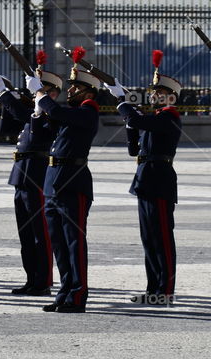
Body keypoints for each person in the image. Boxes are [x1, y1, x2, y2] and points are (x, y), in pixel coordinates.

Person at [113, 50, 181, 306]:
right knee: (149, 239)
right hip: (144, 180)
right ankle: (153, 288)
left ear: (169, 97)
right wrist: (132, 125)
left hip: (160, 180)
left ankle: (165, 291)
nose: (152, 95)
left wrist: (122, 102)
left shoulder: (169, 116)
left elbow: (134, 117)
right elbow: (134, 149)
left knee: (162, 237)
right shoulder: (152, 119)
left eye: (157, 93)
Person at [34, 46, 99, 313]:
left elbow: (58, 113)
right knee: (59, 243)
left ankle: (78, 294)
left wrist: (42, 96)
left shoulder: (88, 112)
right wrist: (37, 110)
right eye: (70, 87)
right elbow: (45, 130)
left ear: (88, 92)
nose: (69, 91)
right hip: (54, 183)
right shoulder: (71, 115)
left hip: (73, 183)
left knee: (74, 242)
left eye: (75, 88)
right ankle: (64, 291)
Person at [0, 51, 60, 296]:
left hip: (38, 176)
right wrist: (9, 97)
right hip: (21, 176)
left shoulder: (51, 116)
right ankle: (32, 279)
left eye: (41, 90)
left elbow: (33, 123)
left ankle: (43, 282)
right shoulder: (33, 113)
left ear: (53, 93)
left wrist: (6, 95)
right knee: (26, 234)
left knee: (40, 233)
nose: (35, 94)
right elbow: (5, 128)